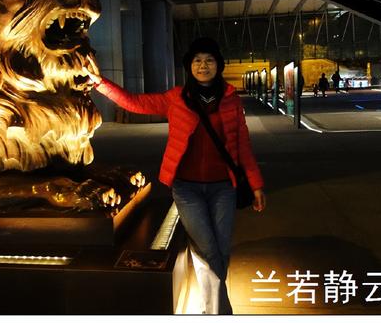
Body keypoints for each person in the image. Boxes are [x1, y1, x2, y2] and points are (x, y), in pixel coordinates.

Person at [84, 37, 265, 314]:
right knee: (208, 248)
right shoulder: (176, 98)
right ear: (189, 66)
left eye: (209, 60)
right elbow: (135, 103)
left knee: (220, 248)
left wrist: (256, 185)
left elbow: (243, 146)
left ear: (218, 65)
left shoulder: (230, 100)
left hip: (223, 187)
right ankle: (221, 311)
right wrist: (100, 83)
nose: (203, 66)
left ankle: (210, 307)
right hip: (186, 187)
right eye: (197, 61)